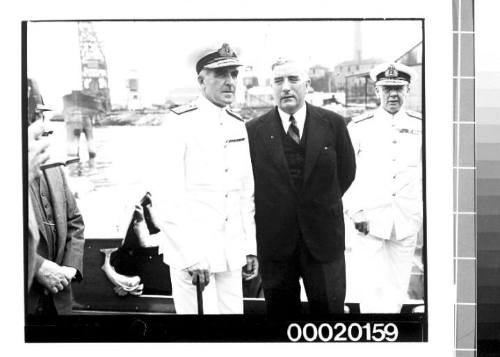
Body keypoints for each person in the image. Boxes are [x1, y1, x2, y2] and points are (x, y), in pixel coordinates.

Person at [151, 43, 258, 314]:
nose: (230, 82)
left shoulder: (237, 124)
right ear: (201, 80)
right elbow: (166, 199)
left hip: (230, 256)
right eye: (220, 74)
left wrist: (249, 248)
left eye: (234, 74)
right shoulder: (178, 123)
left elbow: (244, 193)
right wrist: (190, 256)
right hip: (195, 260)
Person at [246, 58, 356, 316]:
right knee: (282, 324)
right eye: (278, 81)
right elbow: (247, 187)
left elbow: (347, 173)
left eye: (293, 80)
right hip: (276, 246)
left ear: (307, 85)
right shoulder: (253, 132)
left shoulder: (333, 124)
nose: (286, 87)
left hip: (324, 241)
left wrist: (319, 203)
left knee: (330, 319)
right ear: (270, 87)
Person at [343, 62, 423, 313]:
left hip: (405, 220)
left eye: (399, 88)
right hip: (369, 222)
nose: (393, 95)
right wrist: (355, 211)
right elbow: (343, 174)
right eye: (387, 88)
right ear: (377, 91)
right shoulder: (359, 127)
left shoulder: (422, 127)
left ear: (407, 90)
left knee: (397, 288)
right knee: (370, 289)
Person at [27, 78, 85, 316]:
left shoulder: (54, 168)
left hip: (60, 300)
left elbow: (75, 222)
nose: (39, 126)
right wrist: (39, 267)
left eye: (38, 117)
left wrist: (69, 269)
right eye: (30, 119)